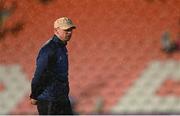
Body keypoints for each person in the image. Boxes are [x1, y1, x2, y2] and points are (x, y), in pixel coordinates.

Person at [30, 17, 76, 115]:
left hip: (62, 99)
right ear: (56, 31)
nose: (69, 32)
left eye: (70, 30)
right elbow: (39, 74)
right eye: (66, 30)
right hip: (49, 100)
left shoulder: (62, 48)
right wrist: (34, 95)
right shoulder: (48, 49)